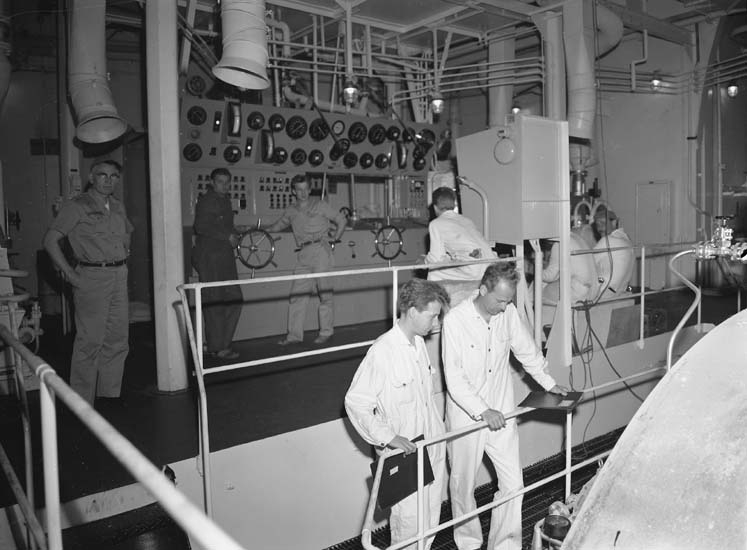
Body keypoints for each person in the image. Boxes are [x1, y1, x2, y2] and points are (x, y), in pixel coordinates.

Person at [442, 262, 568, 550]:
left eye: (508, 300)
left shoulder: (508, 313)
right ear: (482, 290)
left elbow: (526, 350)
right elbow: (454, 377)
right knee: (463, 486)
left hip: (502, 410)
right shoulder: (455, 321)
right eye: (499, 300)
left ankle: (505, 545)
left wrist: (548, 383)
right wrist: (482, 410)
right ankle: (469, 543)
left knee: (513, 484)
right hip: (467, 416)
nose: (504, 306)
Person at [345, 279, 450, 550]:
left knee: (430, 521)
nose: (436, 322)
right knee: (409, 528)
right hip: (405, 455)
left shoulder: (419, 345)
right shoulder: (383, 351)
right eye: (432, 315)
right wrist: (388, 437)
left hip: (431, 446)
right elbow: (356, 402)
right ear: (412, 312)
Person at [43, 160, 133, 405]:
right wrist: (70, 274)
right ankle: (81, 401)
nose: (108, 180)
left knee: (117, 339)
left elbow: (126, 234)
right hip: (92, 277)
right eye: (102, 175)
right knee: (90, 341)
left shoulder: (118, 205)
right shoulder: (77, 206)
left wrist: (124, 254)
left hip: (118, 274)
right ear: (91, 178)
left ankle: (109, 395)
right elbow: (50, 241)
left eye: (114, 176)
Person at [266, 174, 347, 345]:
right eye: (299, 190)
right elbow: (278, 225)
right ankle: (294, 336)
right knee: (297, 296)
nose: (302, 193)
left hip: (321, 251)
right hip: (303, 254)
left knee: (325, 295)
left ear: (310, 190)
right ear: (293, 191)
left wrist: (335, 238)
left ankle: (326, 332)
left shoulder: (320, 205)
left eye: (305, 189)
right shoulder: (291, 210)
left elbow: (341, 219)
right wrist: (261, 230)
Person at [191, 167, 244, 360]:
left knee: (233, 299)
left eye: (227, 182)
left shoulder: (224, 201)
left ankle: (220, 343)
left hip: (223, 256)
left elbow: (221, 225)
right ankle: (218, 347)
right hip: (210, 257)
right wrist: (227, 236)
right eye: (220, 182)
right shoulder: (207, 200)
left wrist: (235, 231)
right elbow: (201, 226)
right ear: (212, 183)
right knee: (215, 301)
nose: (225, 185)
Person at [424, 186, 496, 281]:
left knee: (434, 272)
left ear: (435, 207)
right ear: (454, 205)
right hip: (492, 265)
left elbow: (436, 259)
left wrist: (425, 260)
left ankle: (433, 292)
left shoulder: (436, 224)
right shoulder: (466, 220)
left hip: (475, 270)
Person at [539, 227, 599, 304]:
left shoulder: (559, 243)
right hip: (593, 291)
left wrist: (534, 271)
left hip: (578, 292)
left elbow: (551, 276)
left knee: (539, 292)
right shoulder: (576, 238)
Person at [592, 207, 634, 298]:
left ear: (614, 222)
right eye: (597, 224)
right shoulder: (627, 239)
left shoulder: (607, 240)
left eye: (603, 223)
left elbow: (587, 262)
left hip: (604, 292)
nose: (599, 228)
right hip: (620, 291)